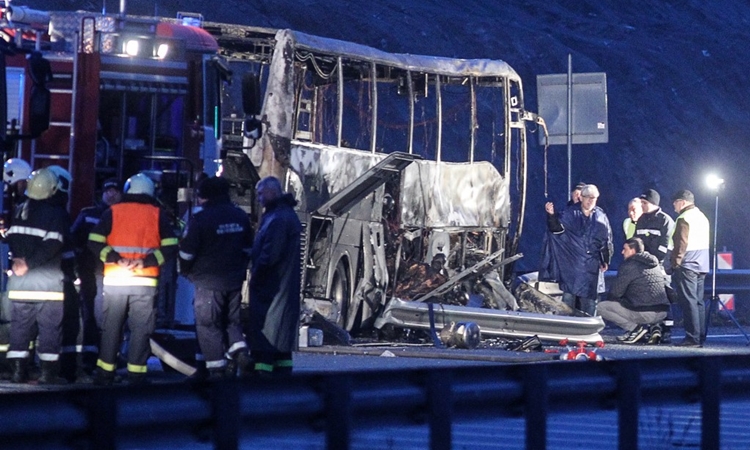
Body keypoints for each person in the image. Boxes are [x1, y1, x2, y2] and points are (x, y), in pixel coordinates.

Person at [88, 173, 178, 385]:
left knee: (111, 328)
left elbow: (93, 241)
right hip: (144, 282)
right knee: (141, 329)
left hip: (115, 280)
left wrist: (116, 259)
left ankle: (105, 373)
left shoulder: (113, 212)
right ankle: (136, 375)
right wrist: (146, 262)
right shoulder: (157, 214)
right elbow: (171, 245)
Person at [179, 176, 253, 380]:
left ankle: (216, 371)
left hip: (208, 282)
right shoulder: (240, 216)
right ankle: (240, 352)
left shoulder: (201, 219)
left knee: (208, 325)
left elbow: (186, 253)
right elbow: (248, 248)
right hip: (234, 281)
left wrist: (186, 271)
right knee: (231, 322)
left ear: (206, 196)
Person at [5, 168, 69, 384]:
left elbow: (12, 239)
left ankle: (17, 372)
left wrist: (19, 262)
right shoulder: (56, 213)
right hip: (47, 284)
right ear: (52, 189)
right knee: (49, 329)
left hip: (20, 283)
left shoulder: (19, 209)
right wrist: (30, 264)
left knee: (20, 328)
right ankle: (48, 374)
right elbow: (54, 244)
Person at [248, 176, 301, 377]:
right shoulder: (283, 215)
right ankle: (282, 380)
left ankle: (262, 382)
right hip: (281, 290)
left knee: (266, 342)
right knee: (281, 345)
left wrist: (256, 275)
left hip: (271, 291)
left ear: (272, 192)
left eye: (261, 193)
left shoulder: (277, 219)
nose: (259, 198)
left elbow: (270, 255)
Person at [70, 178, 122, 376]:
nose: (111, 194)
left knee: (110, 317)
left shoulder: (123, 215)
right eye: (108, 190)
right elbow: (74, 238)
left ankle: (107, 357)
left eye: (115, 190)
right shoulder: (88, 214)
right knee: (90, 314)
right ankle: (90, 358)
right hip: (90, 271)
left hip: (115, 273)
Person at [541, 184, 613, 316]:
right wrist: (551, 216)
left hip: (591, 267)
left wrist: (605, 260)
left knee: (590, 302)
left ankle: (588, 325)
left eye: (593, 198)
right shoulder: (570, 213)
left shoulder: (601, 216)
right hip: (572, 265)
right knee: (569, 298)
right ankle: (567, 325)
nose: (590, 201)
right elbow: (556, 230)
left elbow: (605, 240)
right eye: (588, 197)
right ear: (582, 198)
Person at [598, 238, 670, 344]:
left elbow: (615, 293)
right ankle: (655, 327)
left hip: (645, 313)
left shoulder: (629, 265)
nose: (622, 252)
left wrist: (620, 300)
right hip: (663, 312)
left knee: (601, 307)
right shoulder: (655, 264)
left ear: (632, 250)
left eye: (625, 249)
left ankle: (635, 329)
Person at [669, 189, 710, 347]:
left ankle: (692, 337)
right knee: (698, 301)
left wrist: (675, 263)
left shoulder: (684, 218)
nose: (674, 206)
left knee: (688, 301)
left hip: (688, 263)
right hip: (702, 263)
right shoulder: (702, 216)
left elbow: (681, 243)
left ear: (683, 202)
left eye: (675, 202)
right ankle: (700, 336)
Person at [635, 188, 676, 343]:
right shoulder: (641, 219)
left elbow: (664, 246)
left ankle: (666, 330)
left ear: (653, 203)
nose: (642, 205)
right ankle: (652, 329)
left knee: (663, 298)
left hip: (661, 266)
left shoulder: (665, 220)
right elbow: (637, 241)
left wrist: (654, 262)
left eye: (644, 203)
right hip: (644, 265)